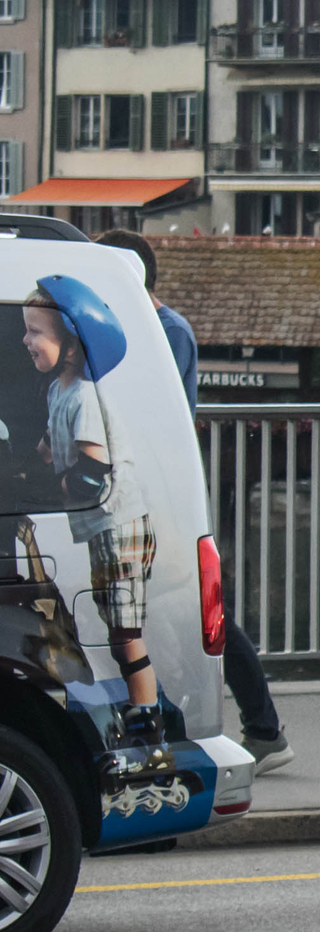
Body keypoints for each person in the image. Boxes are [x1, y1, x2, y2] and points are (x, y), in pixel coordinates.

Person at [94, 228, 292, 772]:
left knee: (197, 611)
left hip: (158, 494)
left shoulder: (166, 331)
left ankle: (262, 727)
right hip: (137, 491)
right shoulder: (142, 326)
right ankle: (196, 724)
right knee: (161, 613)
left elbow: (162, 415)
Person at [24, 279, 158, 749]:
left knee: (125, 632)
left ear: (71, 345)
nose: (26, 341)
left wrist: (59, 482)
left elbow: (92, 469)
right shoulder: (57, 392)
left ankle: (148, 716)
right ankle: (140, 708)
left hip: (119, 523)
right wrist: (30, 465)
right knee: (113, 621)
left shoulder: (84, 395)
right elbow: (47, 446)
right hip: (103, 525)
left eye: (35, 332)